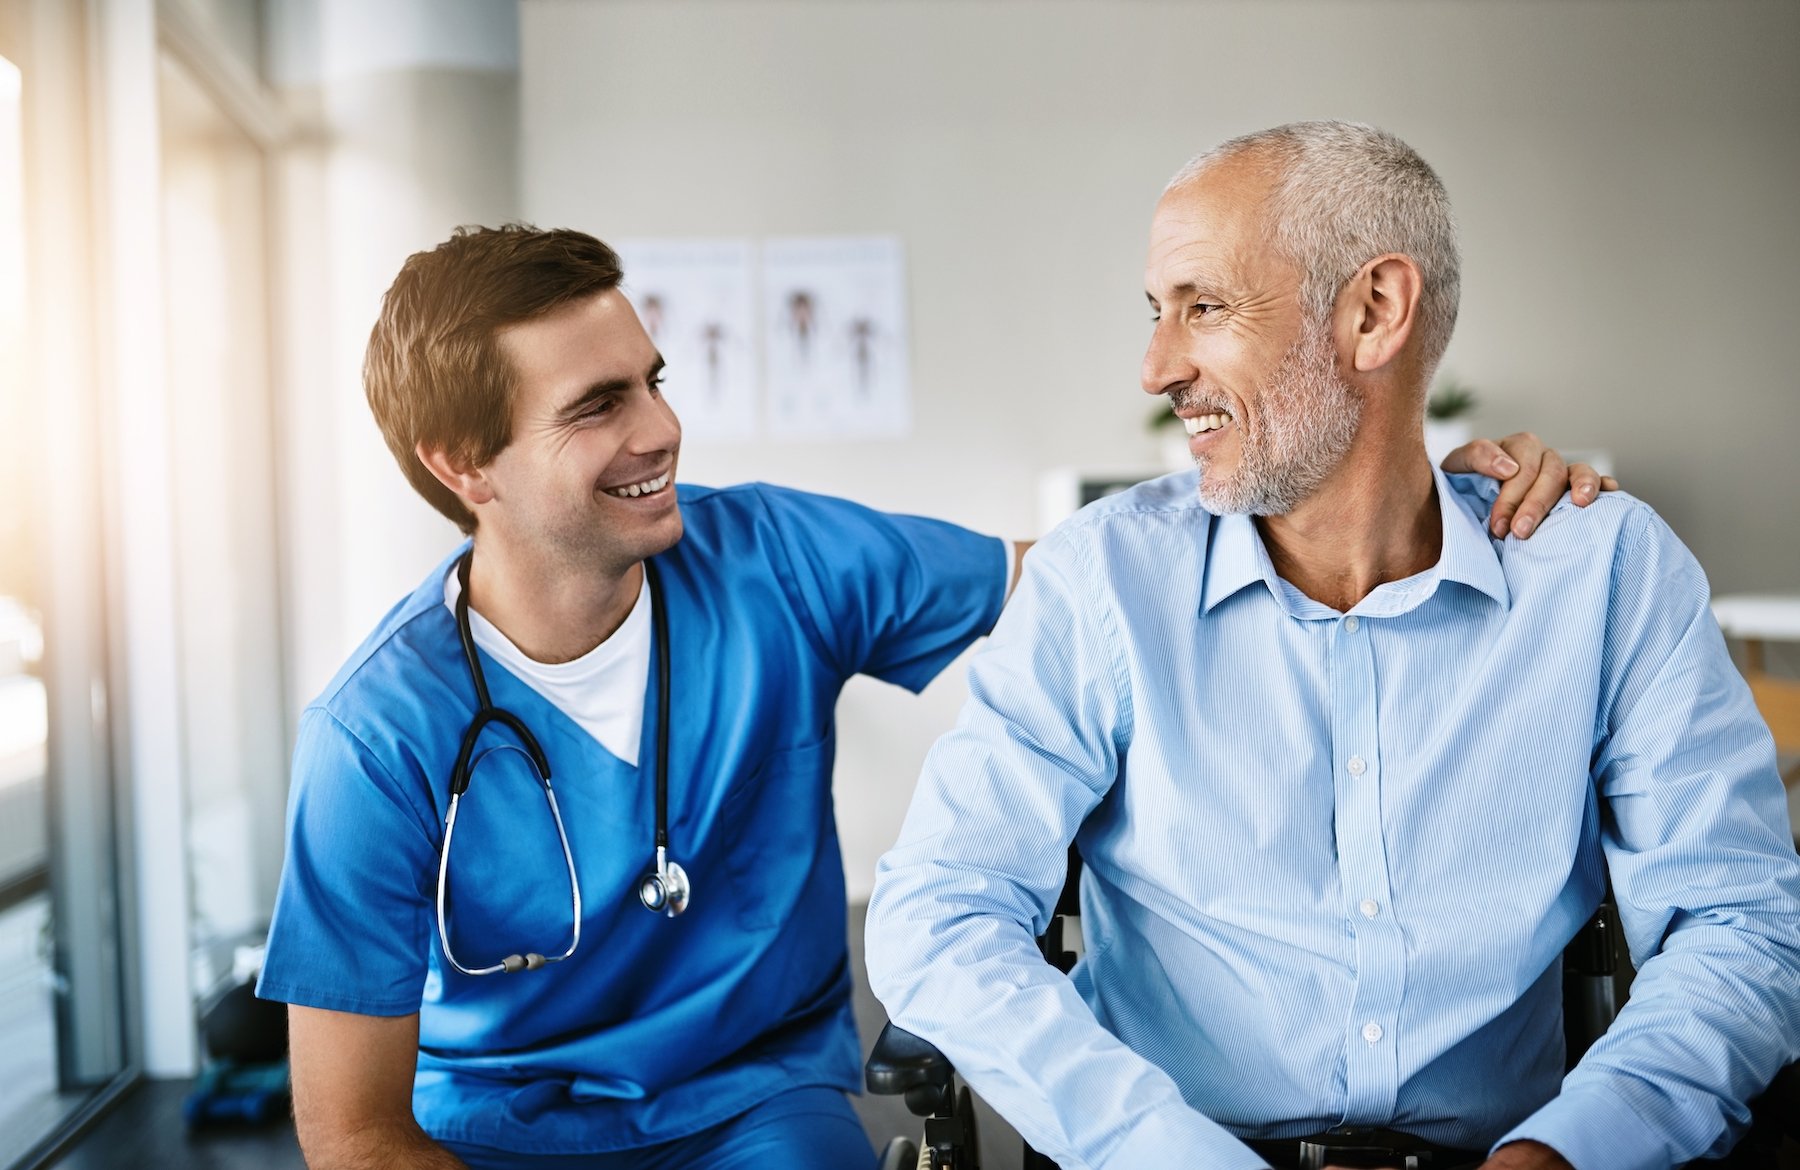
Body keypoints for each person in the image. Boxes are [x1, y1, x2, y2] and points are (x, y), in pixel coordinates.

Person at [256, 223, 1603, 1170]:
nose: (661, 428)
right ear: (463, 464)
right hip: (495, 1137)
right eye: (597, 406)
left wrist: (1418, 487)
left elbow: (1084, 577)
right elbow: (356, 1130)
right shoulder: (380, 733)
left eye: (654, 379)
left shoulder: (772, 557)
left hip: (752, 1108)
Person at [865, 122, 1800, 1170]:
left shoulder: (1605, 576)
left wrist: (1573, 1150)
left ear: (1374, 311)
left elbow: (1744, 921)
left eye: (1204, 307)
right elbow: (941, 913)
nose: (1156, 367)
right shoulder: (1103, 585)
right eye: (1156, 313)